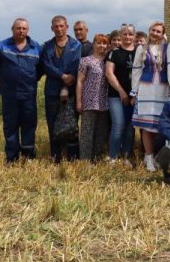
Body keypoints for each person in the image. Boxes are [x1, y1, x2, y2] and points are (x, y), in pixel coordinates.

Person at [0, 18, 43, 162]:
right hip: (9, 94)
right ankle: (11, 158)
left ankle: (28, 156)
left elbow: (40, 69)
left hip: (28, 94)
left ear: (28, 30)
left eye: (24, 28)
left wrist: (30, 79)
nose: (21, 31)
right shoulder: (1, 47)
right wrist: (8, 78)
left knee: (29, 125)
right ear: (12, 29)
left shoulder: (36, 48)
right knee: (10, 126)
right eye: (18, 28)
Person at [41, 15, 82, 163]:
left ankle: (73, 158)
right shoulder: (46, 46)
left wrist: (65, 86)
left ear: (67, 27)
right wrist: (62, 76)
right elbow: (47, 66)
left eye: (61, 26)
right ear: (52, 28)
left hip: (70, 91)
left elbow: (75, 66)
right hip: (52, 91)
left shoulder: (76, 45)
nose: (59, 29)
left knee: (71, 126)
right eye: (56, 26)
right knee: (52, 126)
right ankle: (56, 157)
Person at [130, 21, 170, 172]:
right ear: (149, 31)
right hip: (146, 89)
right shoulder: (141, 48)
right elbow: (136, 70)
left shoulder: (167, 48)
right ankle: (148, 157)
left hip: (162, 89)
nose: (155, 33)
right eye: (153, 30)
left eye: (158, 31)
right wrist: (134, 92)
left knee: (160, 124)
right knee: (146, 126)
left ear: (162, 34)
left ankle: (160, 157)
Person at [75, 33, 111, 161]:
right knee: (87, 133)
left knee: (101, 133)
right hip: (89, 101)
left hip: (104, 102)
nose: (102, 45)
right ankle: (85, 161)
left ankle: (96, 159)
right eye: (99, 43)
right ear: (94, 44)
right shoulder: (86, 61)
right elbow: (80, 81)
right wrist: (79, 101)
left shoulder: (108, 61)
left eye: (104, 43)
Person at [105, 24, 137, 166]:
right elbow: (109, 73)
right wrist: (122, 92)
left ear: (134, 36)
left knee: (130, 127)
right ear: (120, 35)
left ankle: (126, 157)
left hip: (134, 96)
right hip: (116, 95)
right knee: (118, 125)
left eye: (130, 34)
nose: (127, 37)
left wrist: (135, 94)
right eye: (124, 34)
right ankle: (113, 156)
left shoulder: (139, 52)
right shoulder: (114, 53)